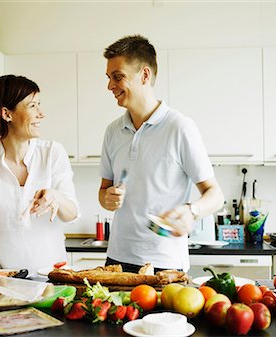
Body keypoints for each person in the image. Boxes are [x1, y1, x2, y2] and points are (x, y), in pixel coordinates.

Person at [99, 35, 224, 273]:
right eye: (108, 78)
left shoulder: (180, 127)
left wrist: (191, 211)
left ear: (144, 75)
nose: (110, 86)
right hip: (116, 260)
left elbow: (215, 195)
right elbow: (103, 191)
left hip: (164, 263)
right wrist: (107, 198)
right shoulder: (113, 132)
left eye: (118, 77)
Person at [0, 74, 80, 273]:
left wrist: (56, 197)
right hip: (0, 276)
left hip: (52, 275)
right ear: (7, 114)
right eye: (33, 106)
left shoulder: (52, 153)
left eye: (39, 104)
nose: (41, 114)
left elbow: (72, 212)